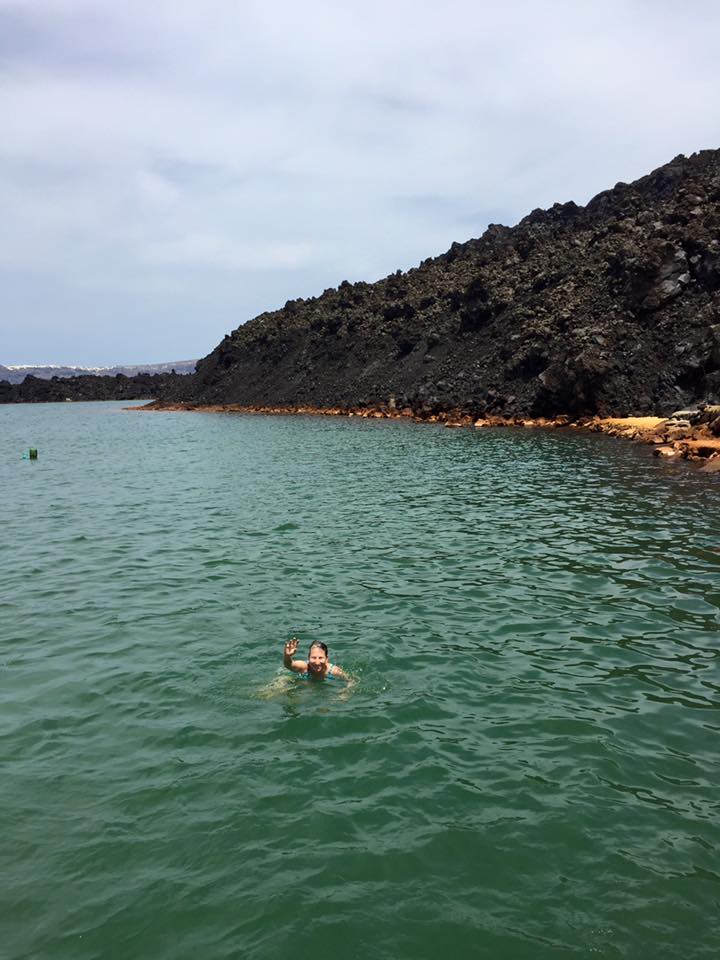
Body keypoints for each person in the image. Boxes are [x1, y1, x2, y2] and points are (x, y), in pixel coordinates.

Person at [283, 637, 348, 681]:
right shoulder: (304, 667)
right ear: (308, 657)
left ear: (326, 659)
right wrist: (287, 656)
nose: (317, 662)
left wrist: (345, 693)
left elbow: (351, 681)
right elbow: (289, 665)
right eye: (313, 657)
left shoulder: (333, 670)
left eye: (320, 658)